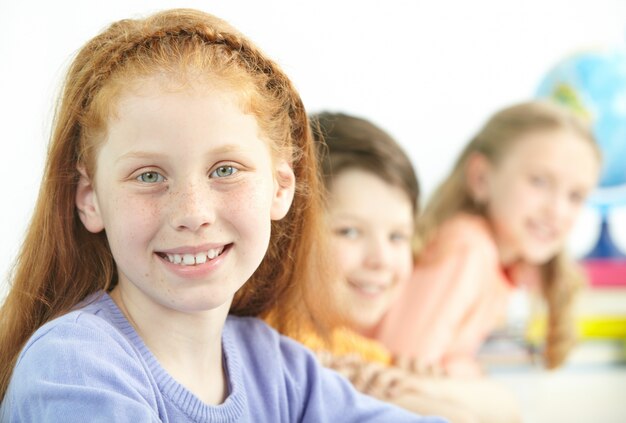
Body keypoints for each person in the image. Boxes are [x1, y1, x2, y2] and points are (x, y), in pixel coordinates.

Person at [0, 9, 447, 422]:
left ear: (281, 186)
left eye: (226, 170)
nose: (193, 213)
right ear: (89, 198)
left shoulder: (277, 368)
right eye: (149, 175)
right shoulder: (70, 366)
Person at [268, 111, 504, 423]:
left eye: (397, 236)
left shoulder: (348, 349)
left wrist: (419, 386)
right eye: (349, 231)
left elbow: (503, 407)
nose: (381, 259)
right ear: (288, 231)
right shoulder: (276, 350)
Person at [375, 100, 601, 379]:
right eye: (539, 181)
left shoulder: (505, 265)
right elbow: (398, 370)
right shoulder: (467, 247)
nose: (557, 210)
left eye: (575, 196)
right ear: (481, 178)